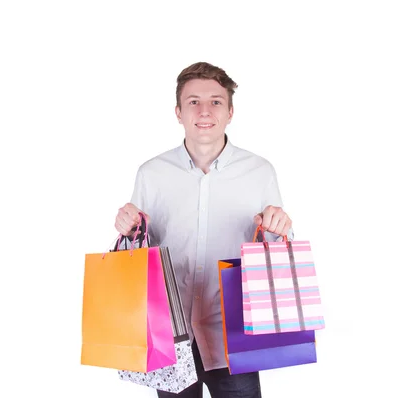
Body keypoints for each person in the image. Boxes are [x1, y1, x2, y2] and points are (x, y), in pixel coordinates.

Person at [114, 61, 294, 398]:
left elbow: (273, 250)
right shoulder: (151, 174)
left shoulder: (260, 171)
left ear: (230, 111)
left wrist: (277, 227)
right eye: (193, 101)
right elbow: (138, 255)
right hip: (171, 333)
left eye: (215, 101)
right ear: (179, 112)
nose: (204, 110)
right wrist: (129, 231)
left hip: (232, 334)